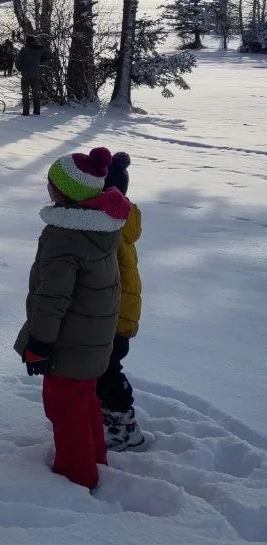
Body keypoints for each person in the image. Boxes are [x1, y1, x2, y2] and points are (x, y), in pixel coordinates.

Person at [15, 146, 131, 491]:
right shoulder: (101, 225)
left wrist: (39, 342)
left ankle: (76, 477)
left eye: (52, 182)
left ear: (64, 192)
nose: (47, 186)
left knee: (65, 408)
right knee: (85, 401)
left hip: (67, 342)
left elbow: (53, 297)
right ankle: (95, 457)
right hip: (92, 340)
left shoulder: (65, 237)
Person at [97, 153, 146, 450]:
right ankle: (109, 415)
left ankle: (125, 426)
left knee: (106, 369)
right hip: (122, 313)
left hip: (114, 316)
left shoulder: (110, 227)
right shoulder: (123, 220)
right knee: (105, 366)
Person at [15, 32, 47, 116]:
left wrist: (20, 69)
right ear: (34, 41)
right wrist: (38, 63)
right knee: (36, 94)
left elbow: (17, 61)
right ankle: (37, 111)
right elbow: (48, 56)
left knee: (25, 94)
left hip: (25, 74)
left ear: (27, 41)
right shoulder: (39, 49)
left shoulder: (24, 50)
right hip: (35, 74)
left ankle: (26, 112)